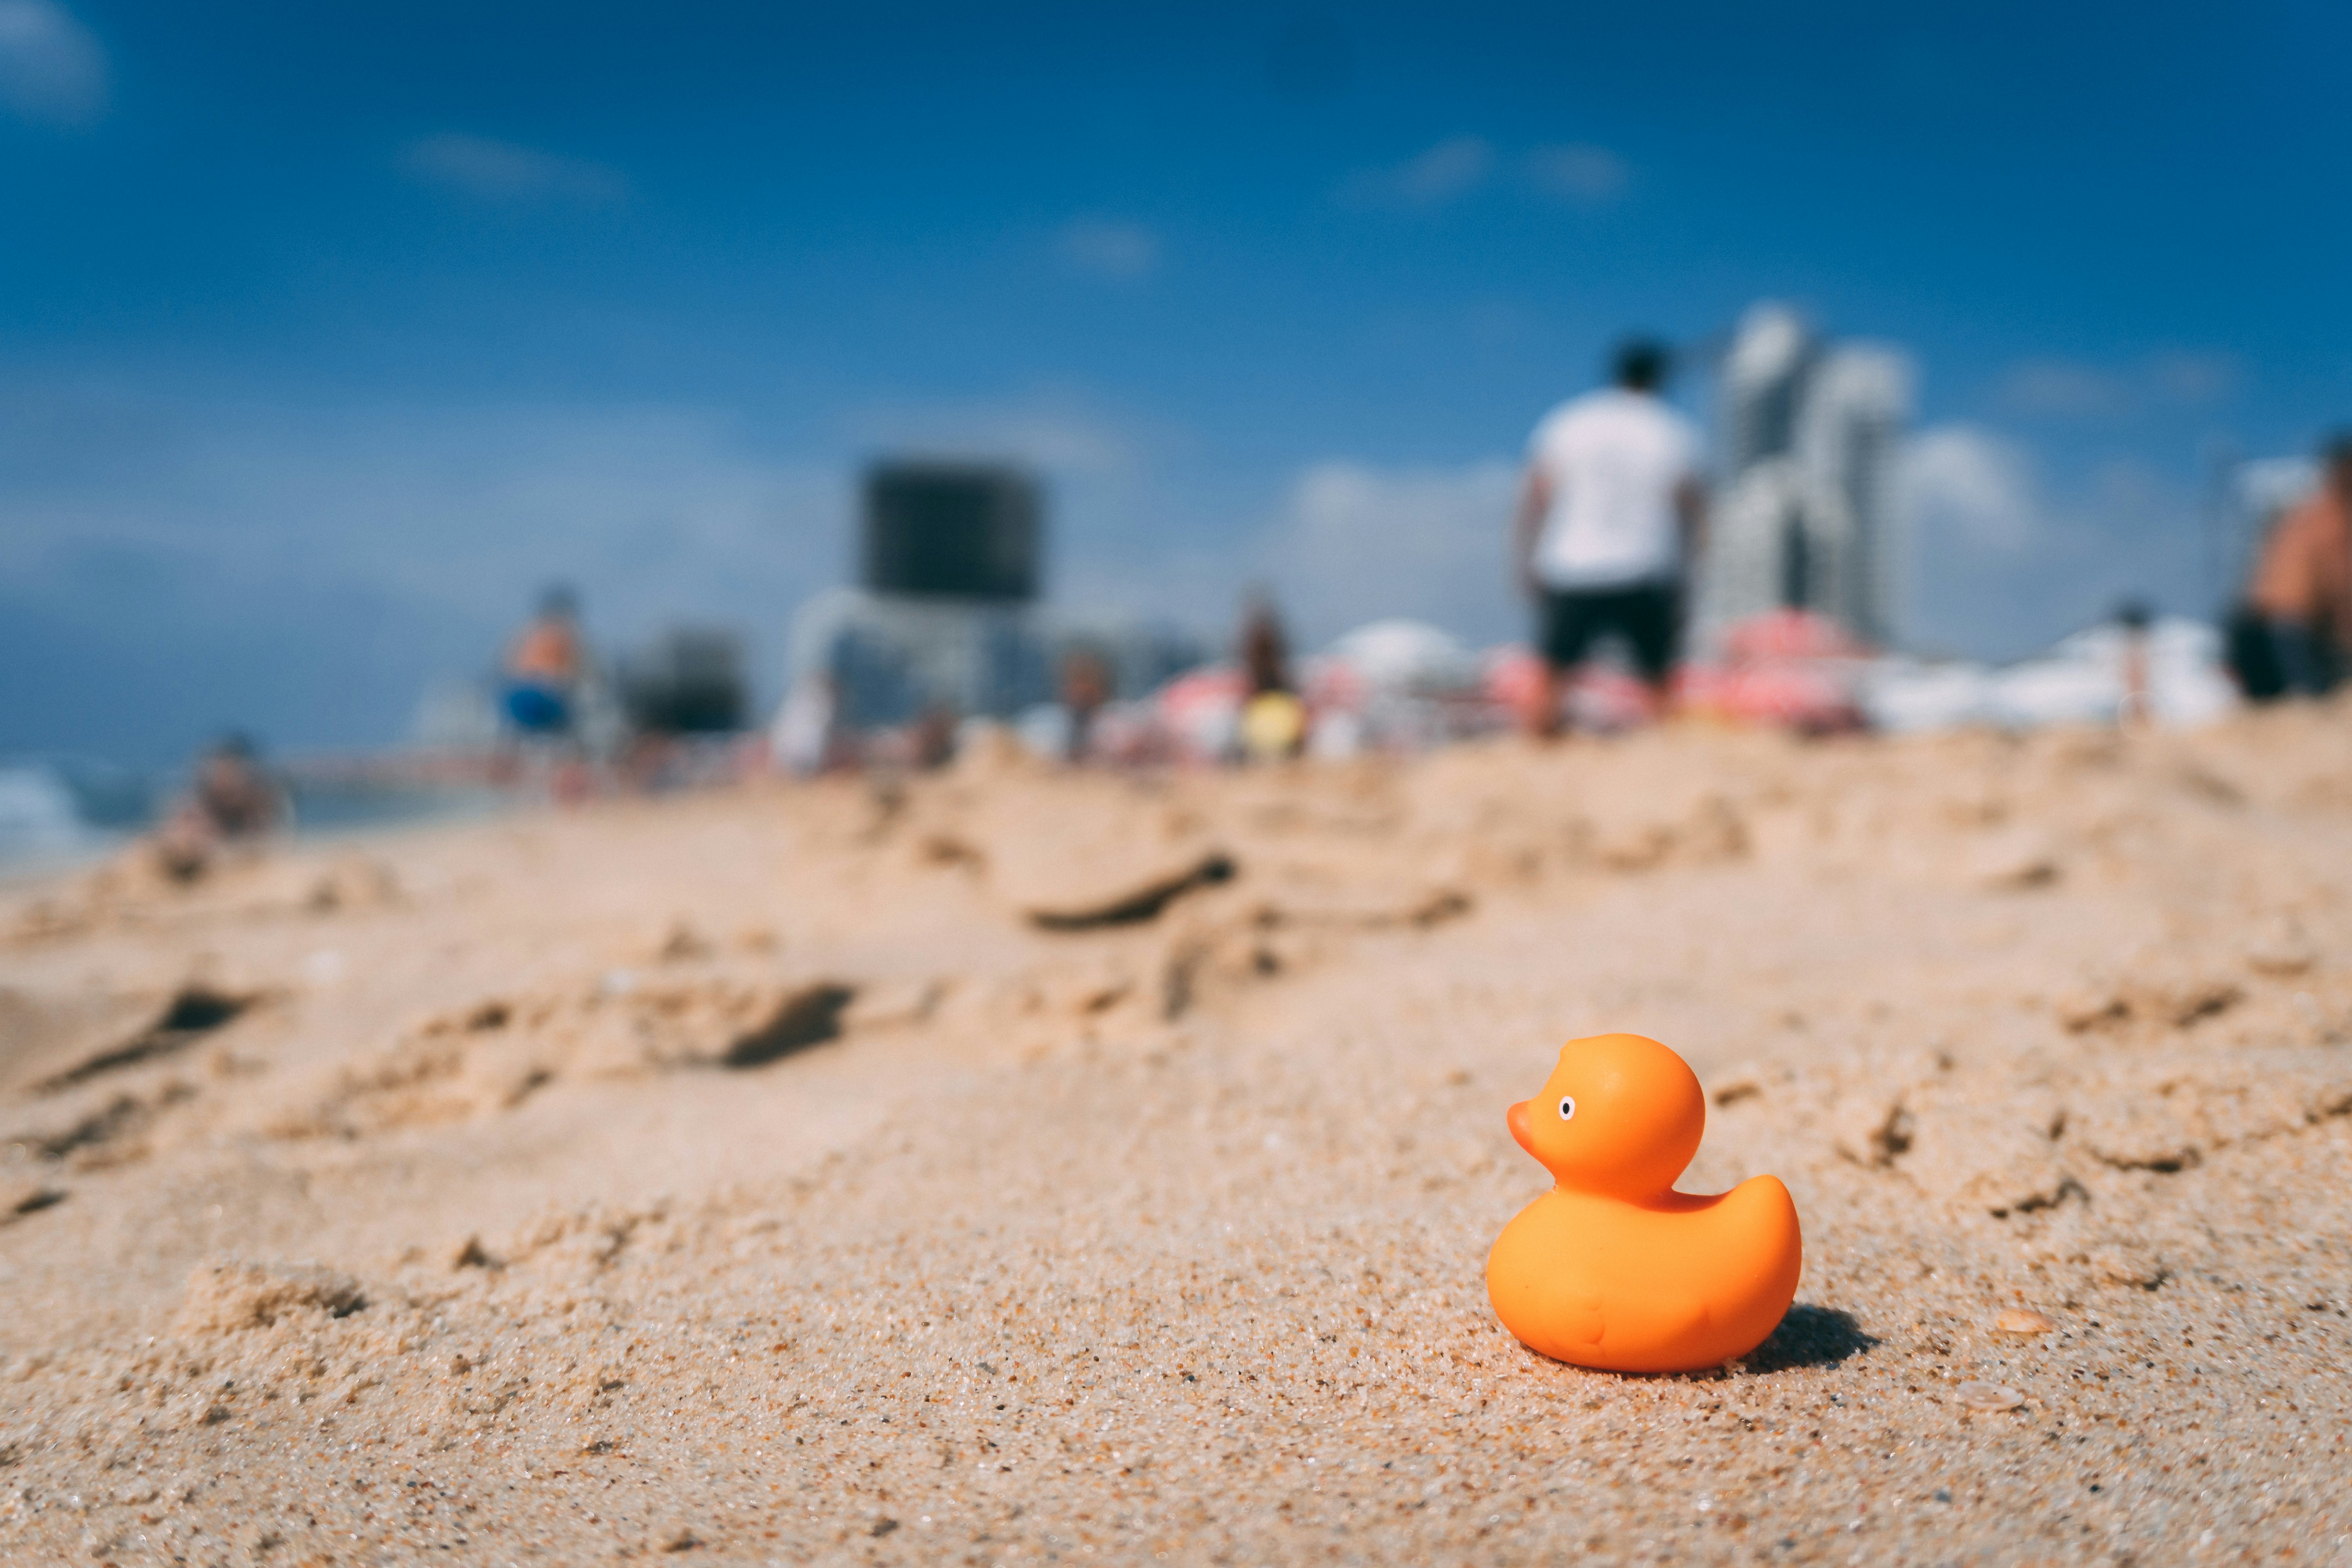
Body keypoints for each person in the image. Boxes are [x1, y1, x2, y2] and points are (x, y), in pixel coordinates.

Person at [1512, 337, 1707, 736]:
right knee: (1658, 677)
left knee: (1553, 672)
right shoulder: (1671, 429)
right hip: (1645, 565)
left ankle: (1535, 751)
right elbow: (1693, 512)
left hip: (1572, 562)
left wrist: (1525, 560)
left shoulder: (1570, 421)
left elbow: (1535, 498)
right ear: (1659, 379)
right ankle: (1665, 756)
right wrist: (1691, 578)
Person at [2243, 433, 2352, 697]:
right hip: (2294, 622)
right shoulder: (2332, 517)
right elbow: (2339, 584)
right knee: (2312, 696)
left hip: (2269, 619)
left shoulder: (2304, 513)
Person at [152, 733, 287, 881]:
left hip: (232, 861)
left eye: (230, 774)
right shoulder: (201, 801)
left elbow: (270, 842)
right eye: (220, 773)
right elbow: (177, 831)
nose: (224, 781)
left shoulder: (258, 800)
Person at [503, 586, 585, 737]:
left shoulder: (527, 632)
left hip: (526, 693)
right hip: (539, 696)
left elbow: (509, 665)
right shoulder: (566, 637)